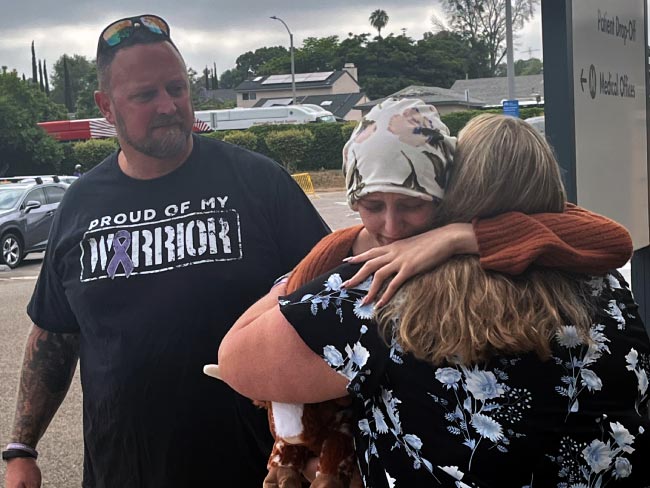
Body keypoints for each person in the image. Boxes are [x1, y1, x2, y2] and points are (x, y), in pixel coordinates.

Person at [0, 22, 629, 486]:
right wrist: (21, 447)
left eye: (177, 86)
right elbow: (54, 334)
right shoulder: (79, 203)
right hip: (122, 469)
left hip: (251, 467)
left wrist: (463, 236)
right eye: (145, 95)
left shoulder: (258, 181)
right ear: (105, 108)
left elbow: (336, 284)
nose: (169, 104)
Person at [216, 107, 649, 487]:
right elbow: (602, 232)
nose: (391, 224)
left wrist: (347, 252)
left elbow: (236, 360)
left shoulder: (386, 295)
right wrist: (468, 236)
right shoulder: (607, 286)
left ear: (451, 190)